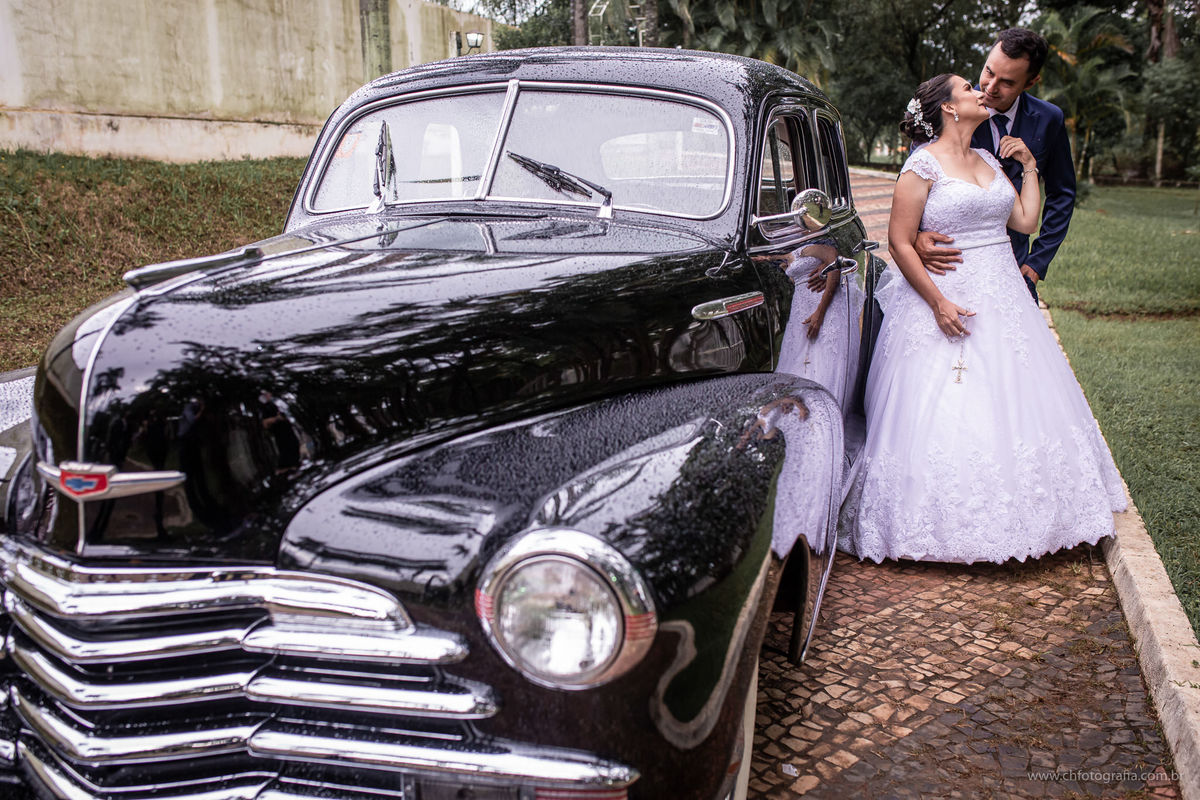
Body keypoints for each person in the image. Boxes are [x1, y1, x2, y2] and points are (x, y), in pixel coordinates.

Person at [837, 74, 1126, 564]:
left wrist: (1029, 166)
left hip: (1004, 299)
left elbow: (1024, 221)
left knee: (1014, 395)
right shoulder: (921, 166)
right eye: (969, 87)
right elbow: (900, 243)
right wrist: (938, 303)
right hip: (945, 299)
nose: (980, 91)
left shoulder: (990, 160)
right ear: (949, 108)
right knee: (947, 401)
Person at [914, 29, 1075, 302]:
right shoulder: (948, 108)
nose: (990, 87)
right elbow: (913, 184)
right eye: (989, 71)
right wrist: (916, 236)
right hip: (947, 265)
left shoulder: (1049, 119)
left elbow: (1062, 194)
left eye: (1007, 82)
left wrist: (1037, 262)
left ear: (1031, 82)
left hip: (1014, 265)